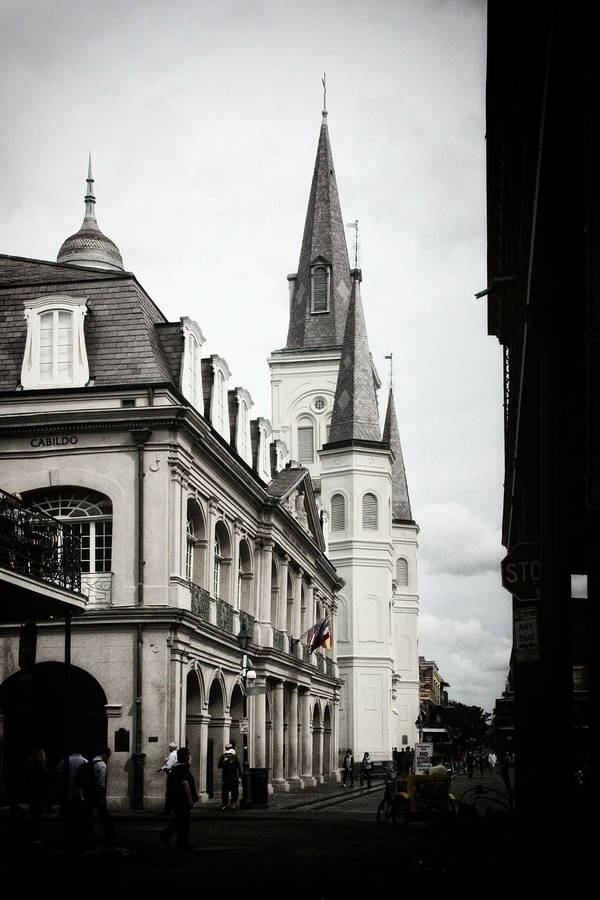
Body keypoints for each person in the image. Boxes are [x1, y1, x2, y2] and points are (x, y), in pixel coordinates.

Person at [160, 747, 198, 850]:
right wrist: (190, 798)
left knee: (179, 821)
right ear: (186, 757)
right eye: (189, 756)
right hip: (182, 799)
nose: (191, 758)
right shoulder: (182, 769)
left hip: (176, 799)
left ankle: (169, 837)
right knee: (184, 822)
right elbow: (185, 783)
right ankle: (181, 843)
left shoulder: (176, 768)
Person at [86, 747, 116, 848]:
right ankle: (110, 838)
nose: (108, 758)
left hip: (88, 792)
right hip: (97, 793)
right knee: (104, 816)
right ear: (105, 754)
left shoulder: (88, 763)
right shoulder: (102, 764)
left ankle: (88, 836)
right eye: (108, 756)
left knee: (88, 815)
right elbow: (101, 783)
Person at [26, 747, 51, 843]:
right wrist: (48, 800)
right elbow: (45, 785)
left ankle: (32, 836)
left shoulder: (31, 766)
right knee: (36, 818)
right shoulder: (42, 767)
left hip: (32, 795)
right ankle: (34, 837)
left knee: (33, 816)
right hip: (38, 796)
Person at [217, 743, 242, 810]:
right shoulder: (223, 756)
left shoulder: (235, 756)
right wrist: (224, 762)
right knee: (225, 791)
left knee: (235, 791)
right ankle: (225, 804)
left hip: (234, 776)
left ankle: (233, 803)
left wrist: (239, 777)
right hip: (226, 776)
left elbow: (239, 767)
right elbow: (219, 765)